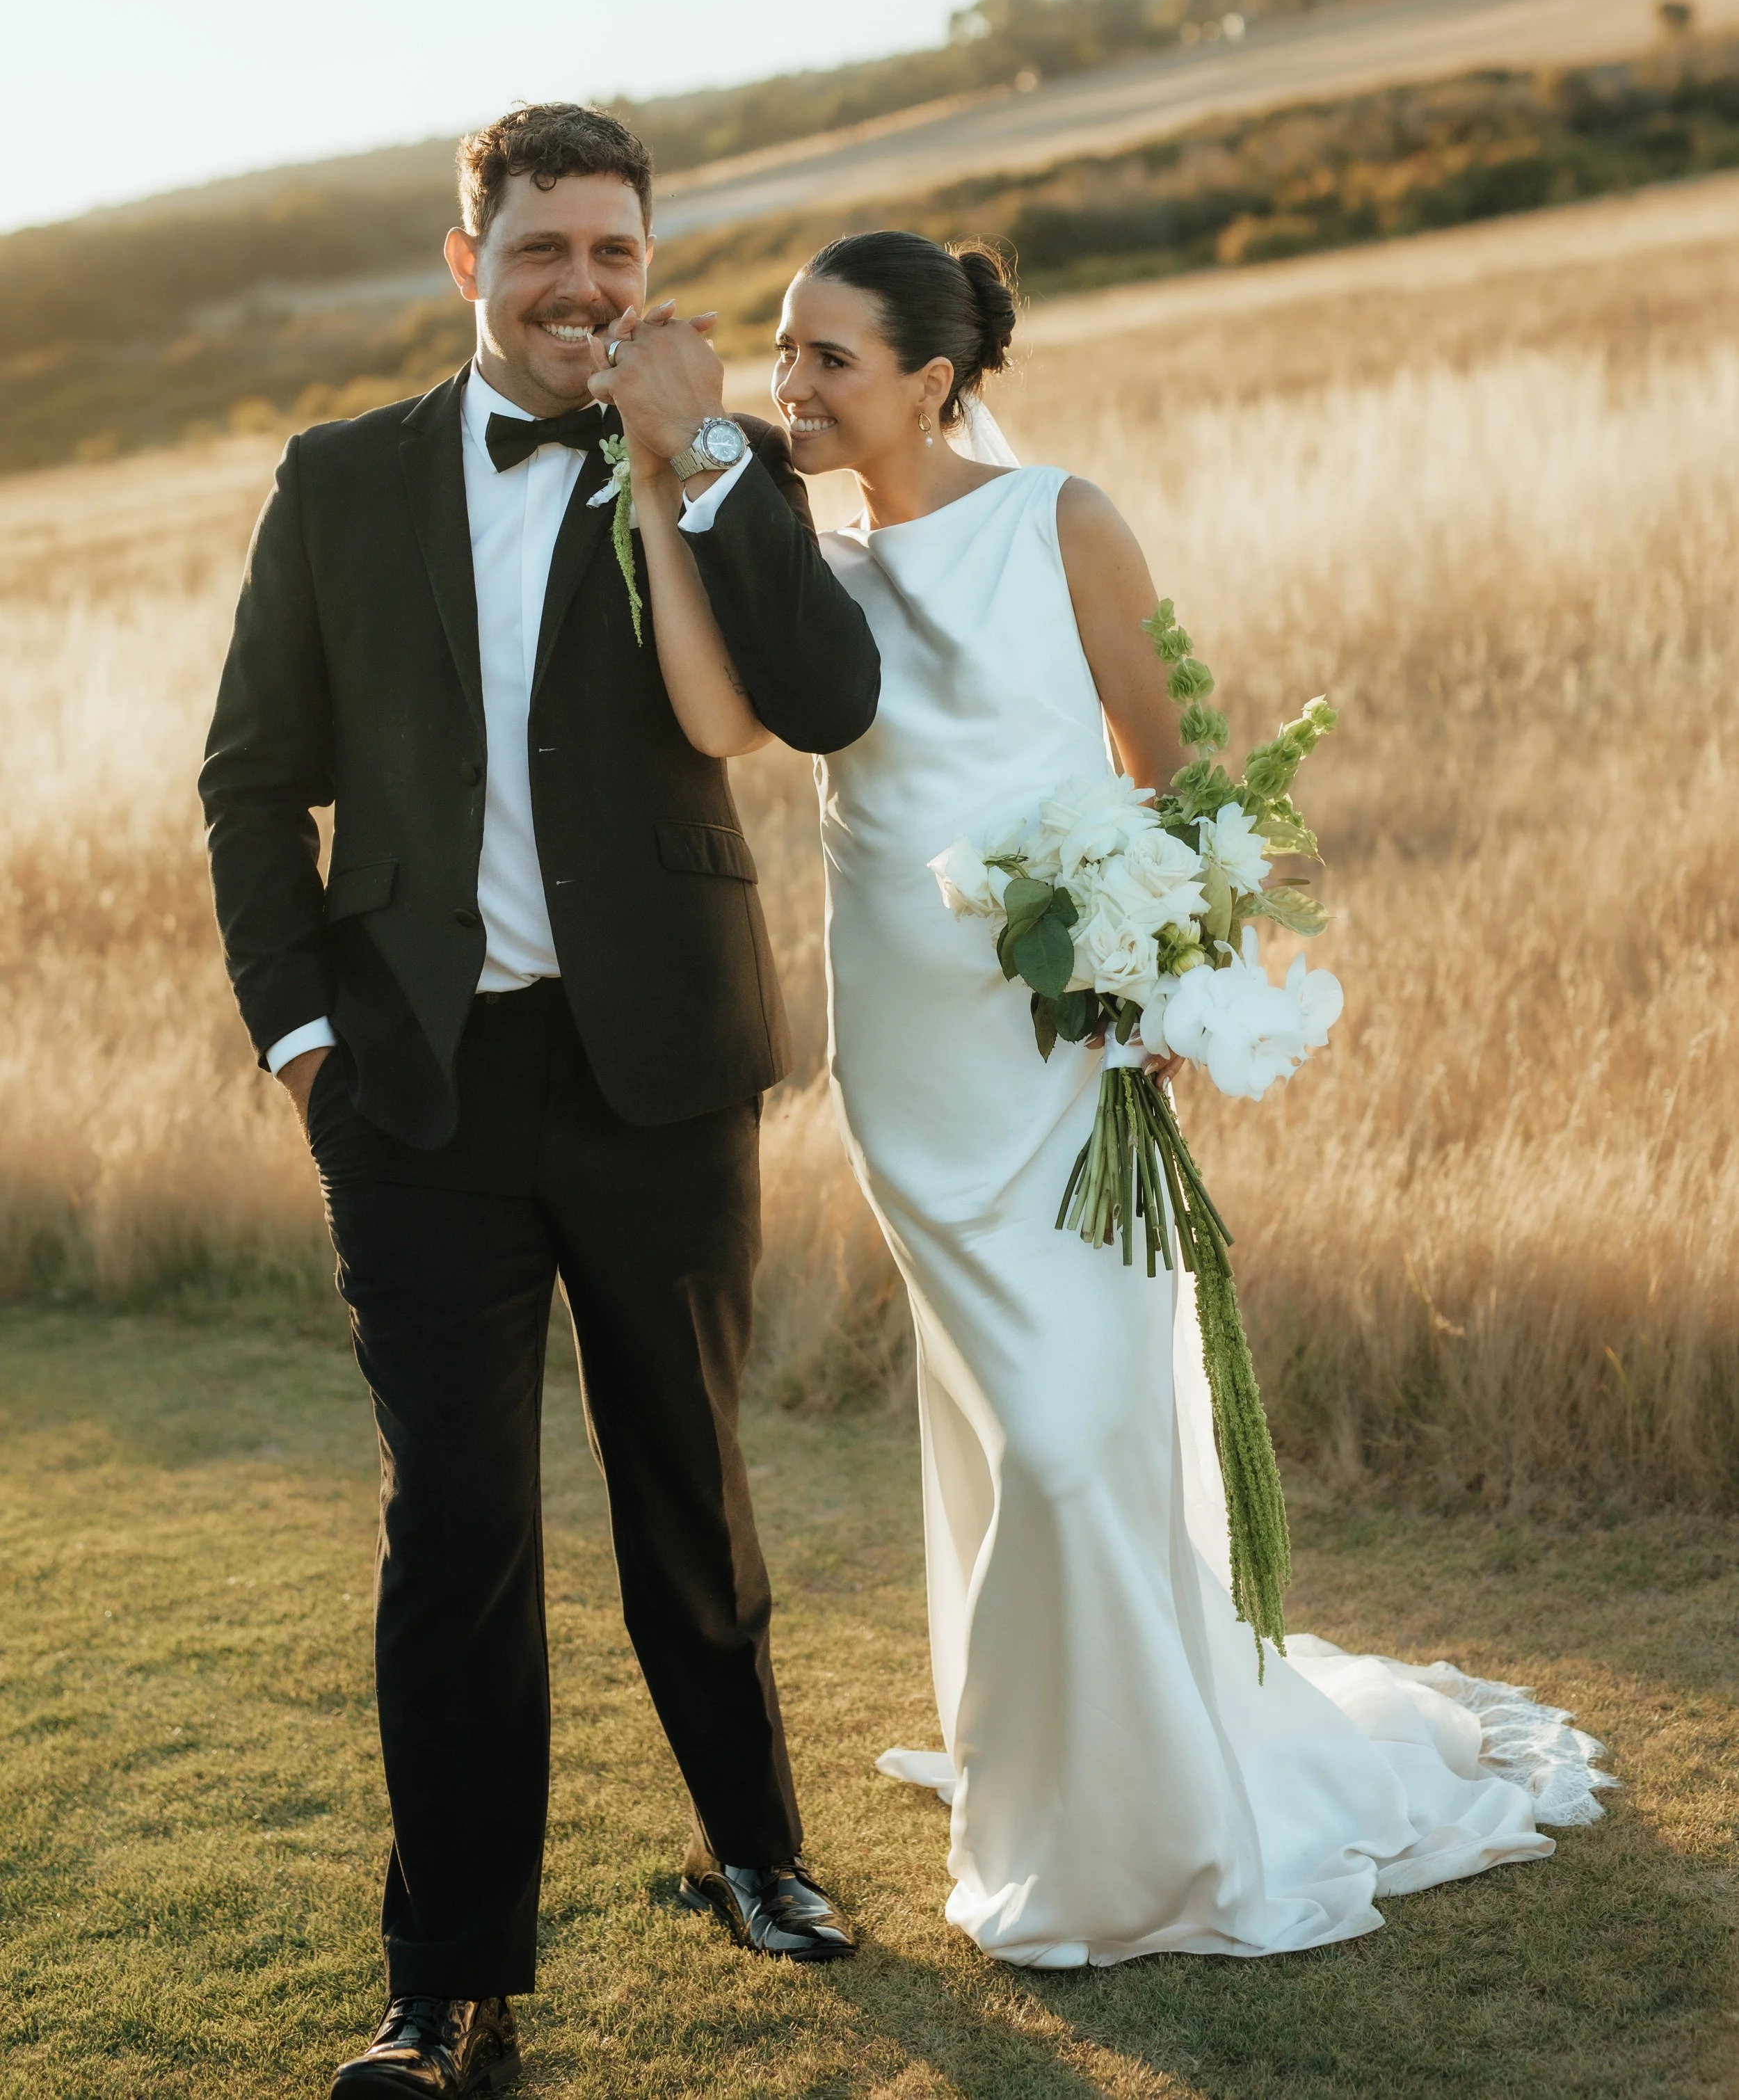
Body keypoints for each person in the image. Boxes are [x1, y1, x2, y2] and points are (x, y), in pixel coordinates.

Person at [781, 227, 1611, 1966]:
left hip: (1058, 1036)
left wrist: (1157, 972)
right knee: (1004, 1426)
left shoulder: (1062, 519)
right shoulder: (803, 566)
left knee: (1083, 1432)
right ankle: (1046, 1762)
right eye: (779, 352)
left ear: (930, 383)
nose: (789, 386)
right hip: (909, 1055)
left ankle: (1146, 1806)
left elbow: (1160, 763)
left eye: (826, 358)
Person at [200, 104, 874, 2100]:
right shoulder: (340, 481)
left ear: (649, 259)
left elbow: (824, 696)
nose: (584, 284)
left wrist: (704, 455)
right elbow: (252, 780)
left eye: (615, 248)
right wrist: (298, 1036)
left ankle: (753, 1847)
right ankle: (445, 1982)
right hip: (412, 1086)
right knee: (457, 1524)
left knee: (687, 1478)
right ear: (463, 257)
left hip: (658, 1066)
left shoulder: (712, 452)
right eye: (543, 248)